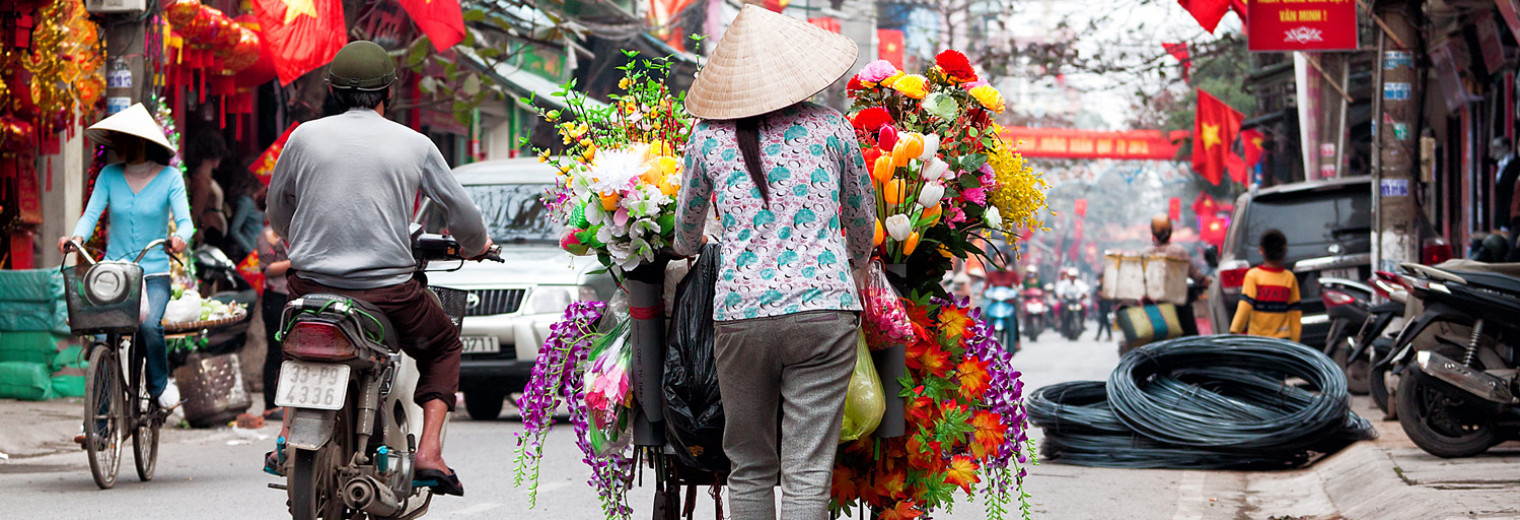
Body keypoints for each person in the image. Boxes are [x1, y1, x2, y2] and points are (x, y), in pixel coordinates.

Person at [671, 7, 873, 519]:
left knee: (751, 463)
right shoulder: (833, 128)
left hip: (741, 316)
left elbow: (685, 233)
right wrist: (850, 267)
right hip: (825, 313)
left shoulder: (707, 137)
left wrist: (697, 243)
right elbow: (862, 218)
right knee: (807, 468)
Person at [265, 40, 491, 496]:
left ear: (331, 89)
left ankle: (287, 437)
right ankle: (429, 452)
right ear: (390, 91)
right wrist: (476, 245)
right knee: (443, 343)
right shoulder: (415, 143)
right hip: (388, 295)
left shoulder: (302, 137)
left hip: (309, 286)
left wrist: (302, 240)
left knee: (295, 345)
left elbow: (277, 209)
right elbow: (464, 217)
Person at [58, 103, 193, 416]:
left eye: (128, 138)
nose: (121, 144)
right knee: (101, 335)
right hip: (115, 277)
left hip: (154, 274)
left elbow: (185, 221)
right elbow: (91, 214)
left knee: (149, 327)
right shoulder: (109, 175)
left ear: (144, 141)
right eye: (118, 138)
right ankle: (99, 420)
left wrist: (179, 239)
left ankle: (159, 387)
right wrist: (75, 240)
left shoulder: (170, 177)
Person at [1229, 229, 1301, 341]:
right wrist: (1296, 341)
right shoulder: (1289, 278)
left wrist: (1235, 331)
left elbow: (1245, 306)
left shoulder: (1253, 276)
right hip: (1283, 340)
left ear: (1261, 250)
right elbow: (1294, 313)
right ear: (1284, 251)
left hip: (1258, 339)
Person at [1142, 213, 1208, 335]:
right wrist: (1206, 281)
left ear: (1153, 233)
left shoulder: (1146, 253)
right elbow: (1195, 275)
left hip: (1156, 306)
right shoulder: (1179, 251)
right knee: (1191, 337)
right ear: (1170, 231)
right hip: (1180, 305)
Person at [257, 225, 289, 422]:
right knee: (275, 350)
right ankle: (270, 405)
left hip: (290, 296)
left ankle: (284, 401)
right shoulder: (268, 235)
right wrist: (293, 262)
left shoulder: (294, 230)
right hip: (275, 297)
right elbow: (266, 269)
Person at [185, 132, 228, 247]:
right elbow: (196, 211)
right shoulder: (201, 181)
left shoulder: (205, 178)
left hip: (212, 230)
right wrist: (196, 232)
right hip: (208, 231)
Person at [1093, 267, 1114, 341]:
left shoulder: (1107, 287)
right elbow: (1096, 295)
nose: (1100, 280)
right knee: (1104, 322)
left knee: (1103, 322)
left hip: (1107, 306)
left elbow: (1109, 296)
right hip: (1101, 306)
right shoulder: (1098, 287)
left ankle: (1100, 336)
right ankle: (1108, 336)